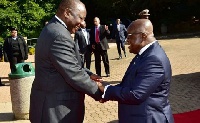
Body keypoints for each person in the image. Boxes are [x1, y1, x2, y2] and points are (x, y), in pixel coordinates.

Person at [29, 0, 103, 123]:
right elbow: (73, 73)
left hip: (49, 105)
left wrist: (89, 75)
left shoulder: (53, 28)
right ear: (67, 13)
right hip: (56, 111)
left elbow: (67, 63)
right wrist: (102, 92)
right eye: (81, 18)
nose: (83, 23)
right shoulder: (59, 35)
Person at [97, 19, 174, 123]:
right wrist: (106, 92)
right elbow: (129, 84)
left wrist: (107, 90)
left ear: (143, 36)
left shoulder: (154, 59)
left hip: (149, 118)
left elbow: (136, 94)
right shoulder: (145, 54)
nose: (126, 40)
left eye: (129, 36)